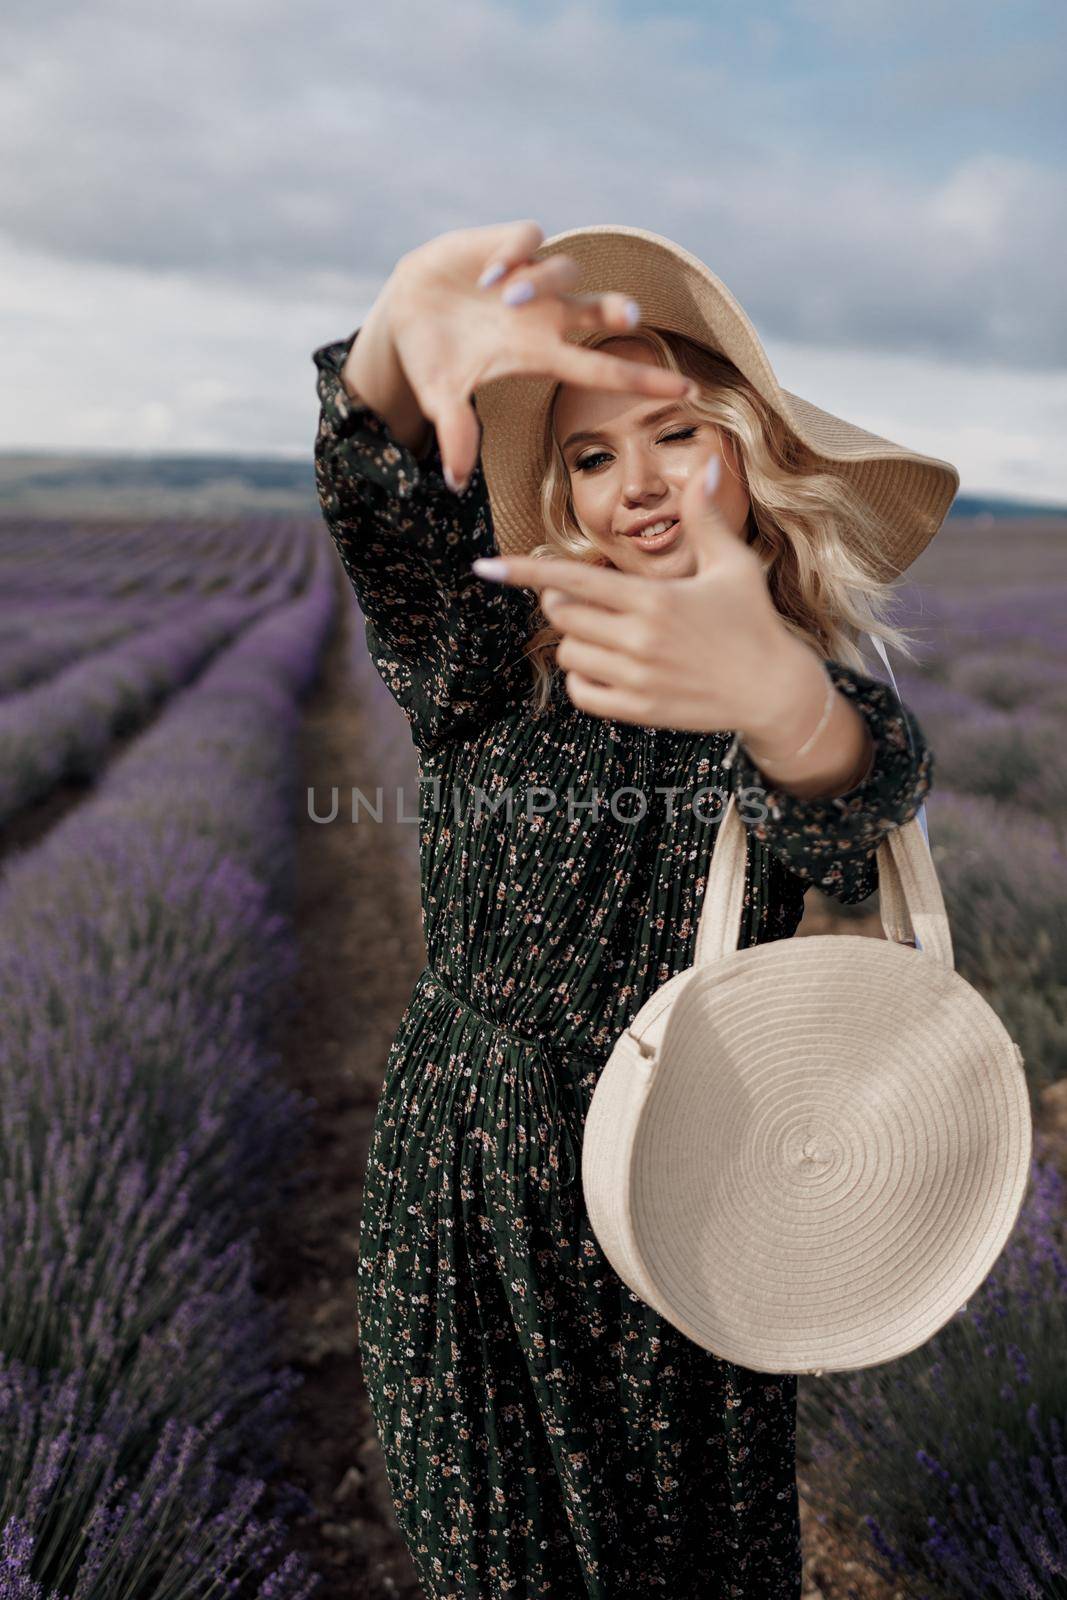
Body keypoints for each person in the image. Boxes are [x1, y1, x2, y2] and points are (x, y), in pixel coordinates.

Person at [311, 219, 944, 1599]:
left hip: (688, 1185)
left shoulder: (801, 701)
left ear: (747, 448)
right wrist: (384, 352)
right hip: (471, 1186)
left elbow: (852, 805)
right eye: (591, 457)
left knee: (692, 1562)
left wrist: (780, 696)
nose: (635, 486)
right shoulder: (496, 661)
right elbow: (383, 516)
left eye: (672, 436)